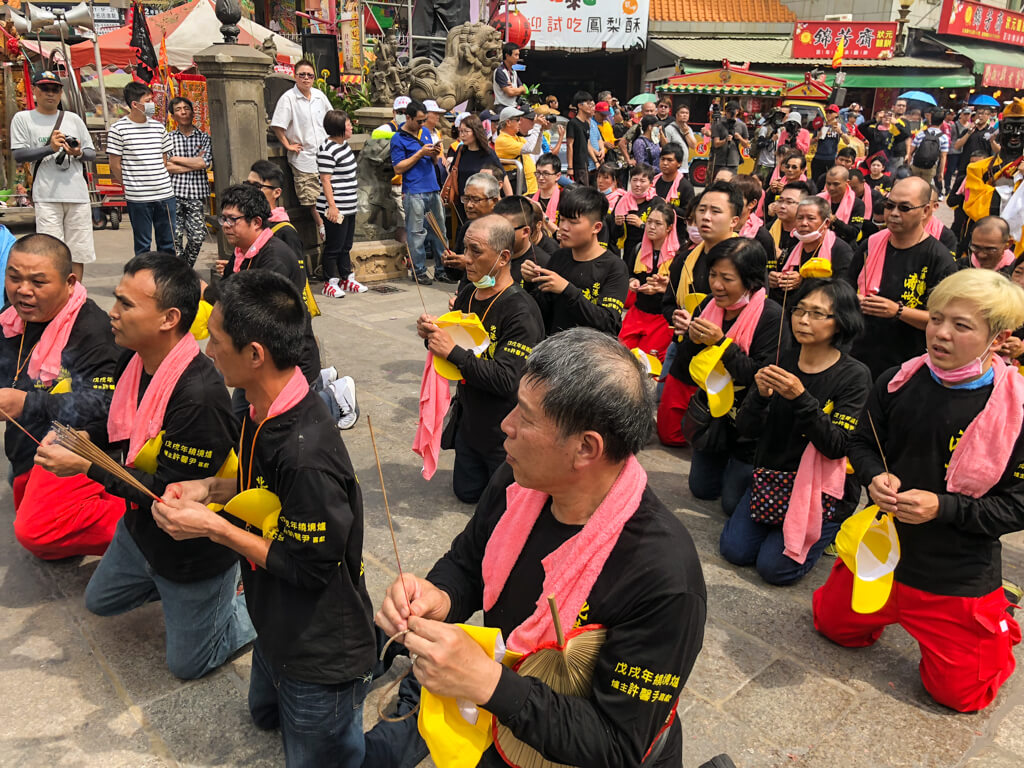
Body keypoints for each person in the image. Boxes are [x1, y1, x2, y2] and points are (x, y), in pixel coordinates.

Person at [365, 327, 707, 768]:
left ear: (586, 447)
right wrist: (440, 595)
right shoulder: (518, 483)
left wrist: (490, 684)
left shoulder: (662, 576)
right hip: (504, 715)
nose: (505, 426)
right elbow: (468, 561)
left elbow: (617, 744)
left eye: (525, 418)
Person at [152, 270, 376, 765]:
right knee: (264, 716)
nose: (208, 352)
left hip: (319, 644)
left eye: (215, 340)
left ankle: (414, 719)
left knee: (329, 756)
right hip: (275, 620)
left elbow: (311, 567)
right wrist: (209, 488)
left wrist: (214, 526)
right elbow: (265, 489)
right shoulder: (257, 405)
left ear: (255, 354)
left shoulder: (305, 453)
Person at [32, 252, 254, 678]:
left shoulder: (199, 397)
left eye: (126, 305)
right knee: (100, 601)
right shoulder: (133, 359)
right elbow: (116, 423)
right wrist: (78, 438)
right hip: (140, 533)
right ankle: (171, 592)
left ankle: (250, 603)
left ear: (169, 318)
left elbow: (164, 494)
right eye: (116, 300)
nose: (112, 314)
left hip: (190, 550)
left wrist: (86, 465)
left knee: (189, 664)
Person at [814, 268, 1024, 713]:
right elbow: (862, 442)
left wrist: (944, 508)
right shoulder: (899, 379)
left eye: (961, 326)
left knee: (961, 698)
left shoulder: (1017, 410)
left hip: (953, 570)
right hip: (883, 548)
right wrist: (873, 477)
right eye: (935, 318)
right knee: (831, 626)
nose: (940, 334)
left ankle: (995, 628)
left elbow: (1017, 508)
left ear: (999, 338)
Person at [723, 278, 870, 585]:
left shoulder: (854, 375)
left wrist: (800, 397)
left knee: (774, 570)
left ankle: (831, 525)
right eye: (799, 310)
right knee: (734, 551)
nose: (803, 320)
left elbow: (837, 445)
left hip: (818, 491)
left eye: (817, 313)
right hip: (772, 479)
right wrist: (760, 397)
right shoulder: (783, 358)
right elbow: (746, 429)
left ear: (841, 323)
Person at [0, 234, 118, 558]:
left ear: (70, 282)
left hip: (80, 446)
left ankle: (154, 527)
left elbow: (106, 407)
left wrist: (25, 403)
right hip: (29, 446)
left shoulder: (93, 330)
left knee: (35, 531)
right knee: (38, 531)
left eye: (38, 282)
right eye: (14, 278)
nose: (23, 290)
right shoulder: (11, 319)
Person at [418, 215, 544, 503]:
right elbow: (452, 352)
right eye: (465, 249)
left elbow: (507, 380)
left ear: (503, 258)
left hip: (505, 430)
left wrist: (451, 350)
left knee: (501, 506)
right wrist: (431, 335)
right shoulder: (469, 295)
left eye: (476, 251)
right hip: (470, 421)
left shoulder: (520, 312)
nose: (467, 259)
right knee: (466, 493)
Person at [671, 238, 784, 511]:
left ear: (751, 280)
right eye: (713, 275)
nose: (717, 285)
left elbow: (760, 376)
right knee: (702, 490)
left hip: (750, 422)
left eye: (727, 278)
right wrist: (688, 338)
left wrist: (722, 344)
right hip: (714, 415)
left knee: (732, 505)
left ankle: (743, 468)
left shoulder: (772, 316)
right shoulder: (709, 306)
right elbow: (688, 370)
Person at [845, 176, 957, 380]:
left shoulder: (939, 259)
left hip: (908, 364)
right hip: (860, 353)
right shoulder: (871, 244)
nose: (894, 213)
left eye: (904, 208)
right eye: (890, 205)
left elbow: (945, 321)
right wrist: (854, 300)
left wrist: (898, 311)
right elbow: (845, 290)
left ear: (926, 211)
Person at [657, 182, 743, 446]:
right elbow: (668, 303)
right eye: (702, 209)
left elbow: (755, 312)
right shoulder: (684, 260)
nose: (705, 217)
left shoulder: (746, 258)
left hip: (724, 356)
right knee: (668, 434)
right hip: (684, 348)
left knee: (712, 435)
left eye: (715, 211)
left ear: (734, 221)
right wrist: (676, 317)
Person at [215, 183, 321, 388]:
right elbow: (225, 289)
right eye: (223, 218)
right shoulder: (241, 251)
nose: (226, 225)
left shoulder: (274, 258)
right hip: (257, 358)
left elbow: (255, 310)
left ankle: (335, 398)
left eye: (232, 219)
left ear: (256, 222)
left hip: (287, 363)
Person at [9, 70, 96, 280]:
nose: (50, 93)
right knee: (50, 251)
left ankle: (76, 296)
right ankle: (55, 295)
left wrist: (77, 152)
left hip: (77, 195)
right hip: (47, 195)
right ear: (35, 91)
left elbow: (91, 153)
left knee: (78, 251)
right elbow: (19, 154)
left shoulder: (73, 119)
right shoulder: (23, 118)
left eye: (55, 89)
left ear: (61, 93)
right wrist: (50, 148)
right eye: (45, 88)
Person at [521, 185, 628, 336]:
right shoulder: (559, 257)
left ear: (596, 227)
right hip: (554, 350)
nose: (563, 227)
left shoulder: (614, 267)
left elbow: (608, 323)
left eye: (573, 222)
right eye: (562, 219)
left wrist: (566, 289)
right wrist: (530, 282)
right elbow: (541, 311)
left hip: (590, 355)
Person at [108, 81, 175, 256]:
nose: (152, 105)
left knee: (169, 243)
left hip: (165, 194)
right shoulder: (118, 129)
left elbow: (164, 159)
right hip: (138, 198)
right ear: (135, 105)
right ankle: (144, 280)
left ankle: (167, 279)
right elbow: (115, 164)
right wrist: (131, 184)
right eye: (148, 101)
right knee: (143, 245)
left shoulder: (158, 127)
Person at [270, 60, 331, 241]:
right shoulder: (288, 98)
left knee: (328, 192)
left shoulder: (320, 96)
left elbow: (330, 117)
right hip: (303, 157)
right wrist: (287, 144)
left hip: (324, 153)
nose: (306, 78)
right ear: (295, 76)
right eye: (302, 75)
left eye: (309, 75)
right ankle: (321, 225)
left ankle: (330, 224)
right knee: (311, 196)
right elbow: (277, 125)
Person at [391, 99, 446, 285]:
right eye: (419, 121)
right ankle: (419, 270)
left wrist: (434, 154)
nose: (422, 124)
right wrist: (420, 154)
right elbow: (398, 168)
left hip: (433, 187)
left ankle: (441, 269)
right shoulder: (398, 138)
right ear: (408, 117)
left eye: (424, 120)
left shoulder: (425, 133)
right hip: (414, 190)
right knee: (416, 232)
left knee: (440, 232)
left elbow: (434, 160)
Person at [619, 199, 677, 360]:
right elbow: (630, 273)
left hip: (661, 319)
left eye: (658, 223)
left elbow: (679, 290)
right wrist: (632, 281)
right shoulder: (639, 248)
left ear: (669, 228)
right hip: (638, 312)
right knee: (622, 355)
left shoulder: (678, 256)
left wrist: (661, 290)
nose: (651, 226)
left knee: (648, 363)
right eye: (649, 221)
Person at [316, 109, 364, 298]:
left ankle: (346, 277)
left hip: (349, 204)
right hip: (336, 207)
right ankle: (330, 281)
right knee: (333, 246)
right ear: (338, 128)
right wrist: (332, 206)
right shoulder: (327, 150)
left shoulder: (343, 146)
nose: (351, 126)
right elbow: (325, 180)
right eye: (348, 124)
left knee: (346, 245)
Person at [773, 196, 853, 300]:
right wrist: (777, 281)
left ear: (826, 223)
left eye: (811, 218)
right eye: (800, 218)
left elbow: (844, 291)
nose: (803, 223)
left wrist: (803, 282)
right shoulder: (794, 249)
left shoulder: (840, 250)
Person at [165, 97, 211, 268]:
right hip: (173, 194)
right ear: (173, 115)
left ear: (193, 112)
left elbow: (204, 163)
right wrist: (193, 163)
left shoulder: (204, 138)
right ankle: (180, 272)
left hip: (196, 196)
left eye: (186, 108)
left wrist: (176, 159)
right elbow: (166, 166)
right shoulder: (168, 138)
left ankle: (185, 267)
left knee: (197, 237)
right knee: (174, 239)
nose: (183, 112)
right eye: (178, 109)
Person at [443, 173, 501, 285]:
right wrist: (450, 262)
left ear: (494, 201)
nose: (469, 205)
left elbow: (504, 273)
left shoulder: (504, 231)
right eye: (466, 198)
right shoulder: (468, 228)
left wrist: (470, 264)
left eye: (476, 199)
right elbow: (455, 276)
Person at [447, 114, 502, 227]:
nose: (462, 135)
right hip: (463, 201)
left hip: (481, 202)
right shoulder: (461, 150)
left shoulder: (487, 153)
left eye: (466, 131)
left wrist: (507, 203)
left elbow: (502, 176)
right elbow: (453, 171)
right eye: (460, 131)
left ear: (476, 131)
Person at [494, 195, 550, 288]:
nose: (497, 234)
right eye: (494, 228)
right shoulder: (489, 253)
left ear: (525, 231)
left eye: (505, 229)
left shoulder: (541, 265)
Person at [609, 164, 661, 259]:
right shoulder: (622, 202)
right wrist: (618, 224)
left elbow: (662, 232)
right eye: (634, 180)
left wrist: (641, 225)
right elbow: (614, 235)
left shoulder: (657, 203)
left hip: (650, 253)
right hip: (629, 253)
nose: (637, 184)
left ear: (651, 184)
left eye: (642, 181)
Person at [764, 180, 807, 277]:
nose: (782, 206)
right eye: (780, 200)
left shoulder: (806, 234)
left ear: (803, 206)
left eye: (789, 202)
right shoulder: (767, 230)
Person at [653, 144, 695, 242]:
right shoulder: (652, 182)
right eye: (662, 159)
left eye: (670, 160)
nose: (665, 163)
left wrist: (668, 206)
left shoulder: (685, 187)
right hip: (653, 234)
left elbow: (689, 215)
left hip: (675, 238)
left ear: (679, 163)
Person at [494, 106, 540, 196]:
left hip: (530, 186)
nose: (520, 122)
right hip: (519, 189)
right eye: (518, 120)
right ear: (508, 122)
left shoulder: (517, 138)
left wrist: (540, 130)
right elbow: (528, 148)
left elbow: (535, 150)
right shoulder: (502, 140)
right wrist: (537, 126)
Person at [819, 166, 864, 246]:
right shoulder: (819, 199)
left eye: (836, 184)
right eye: (828, 184)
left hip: (845, 245)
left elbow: (854, 232)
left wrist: (835, 221)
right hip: (820, 243)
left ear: (847, 183)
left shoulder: (857, 204)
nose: (831, 188)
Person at [907, 108, 950, 191]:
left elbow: (911, 151)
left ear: (931, 120)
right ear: (942, 122)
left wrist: (909, 164)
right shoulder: (944, 138)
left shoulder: (921, 133)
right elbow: (943, 156)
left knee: (912, 186)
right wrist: (941, 173)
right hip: (930, 168)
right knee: (924, 189)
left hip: (916, 165)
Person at [710, 101, 749, 178]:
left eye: (732, 111)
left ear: (737, 111)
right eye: (728, 111)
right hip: (720, 161)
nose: (730, 114)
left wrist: (740, 138)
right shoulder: (719, 124)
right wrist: (725, 140)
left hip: (733, 161)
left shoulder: (742, 125)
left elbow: (746, 145)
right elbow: (716, 144)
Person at [566, 91, 596, 185]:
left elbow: (587, 143)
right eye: (587, 103)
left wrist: (595, 159)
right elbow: (569, 145)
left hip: (585, 164)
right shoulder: (573, 123)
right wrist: (570, 167)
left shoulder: (586, 124)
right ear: (580, 105)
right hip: (577, 165)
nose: (590, 106)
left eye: (591, 104)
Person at [661, 104, 697, 177]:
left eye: (687, 113)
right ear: (677, 115)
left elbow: (693, 146)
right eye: (682, 113)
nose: (685, 115)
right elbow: (666, 148)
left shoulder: (689, 129)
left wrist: (686, 133)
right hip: (674, 168)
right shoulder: (669, 129)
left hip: (685, 167)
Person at [811, 106, 843, 181]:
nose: (828, 114)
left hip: (831, 159)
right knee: (816, 181)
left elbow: (847, 141)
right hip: (818, 158)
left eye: (831, 112)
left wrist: (840, 132)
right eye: (827, 112)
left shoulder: (839, 126)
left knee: (830, 181)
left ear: (836, 114)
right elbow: (811, 142)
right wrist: (817, 138)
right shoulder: (821, 125)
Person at [492, 42, 526, 109]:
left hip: (513, 106)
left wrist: (514, 89)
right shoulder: (500, 71)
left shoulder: (513, 72)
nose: (518, 58)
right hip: (502, 107)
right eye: (515, 55)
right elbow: (510, 92)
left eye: (518, 55)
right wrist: (518, 90)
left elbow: (524, 90)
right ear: (507, 55)